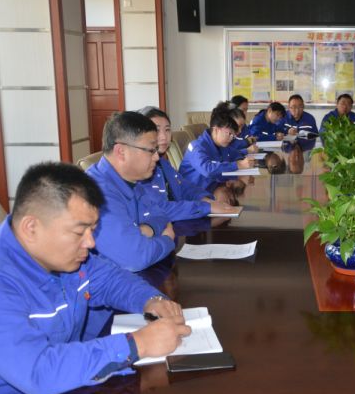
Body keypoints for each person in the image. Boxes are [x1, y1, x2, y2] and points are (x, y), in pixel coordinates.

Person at [0, 162, 190, 394]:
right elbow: (38, 372)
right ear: (31, 227)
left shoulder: (63, 256)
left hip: (73, 388)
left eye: (92, 230)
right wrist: (137, 345)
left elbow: (111, 280)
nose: (90, 243)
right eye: (79, 232)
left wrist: (151, 300)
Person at [86, 112, 175, 272]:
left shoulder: (131, 180)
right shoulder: (97, 193)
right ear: (121, 152)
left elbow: (161, 215)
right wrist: (168, 239)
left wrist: (148, 228)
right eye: (151, 150)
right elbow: (136, 257)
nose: (156, 157)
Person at [137, 106, 237, 221]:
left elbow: (184, 187)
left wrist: (208, 201)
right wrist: (206, 207)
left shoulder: (163, 164)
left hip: (182, 216)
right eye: (157, 130)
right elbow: (160, 210)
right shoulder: (140, 169)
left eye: (167, 130)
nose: (164, 136)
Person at [180, 111, 255, 193]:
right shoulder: (197, 146)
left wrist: (238, 176)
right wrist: (238, 165)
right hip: (193, 194)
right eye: (229, 134)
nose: (231, 139)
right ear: (216, 130)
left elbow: (233, 155)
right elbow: (208, 170)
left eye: (233, 136)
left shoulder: (221, 145)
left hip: (211, 188)